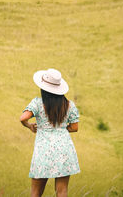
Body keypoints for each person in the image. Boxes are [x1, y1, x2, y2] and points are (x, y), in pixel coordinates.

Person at [20, 68, 80, 197]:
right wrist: (61, 129)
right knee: (62, 191)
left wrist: (30, 126)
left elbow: (23, 118)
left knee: (36, 193)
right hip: (64, 149)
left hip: (43, 151)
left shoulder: (37, 103)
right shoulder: (69, 105)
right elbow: (75, 127)